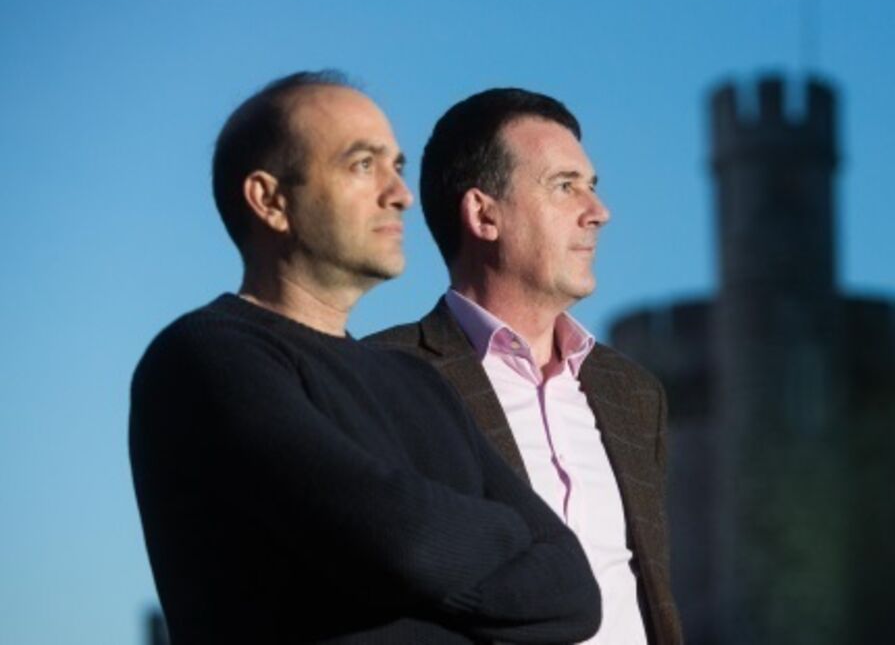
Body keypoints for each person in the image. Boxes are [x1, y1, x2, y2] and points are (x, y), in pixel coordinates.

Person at [128, 71, 601, 644]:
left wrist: (429, 554)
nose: (399, 194)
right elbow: (406, 543)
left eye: (396, 167)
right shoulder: (207, 358)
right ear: (270, 200)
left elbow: (575, 591)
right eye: (362, 165)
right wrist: (501, 539)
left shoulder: (420, 383)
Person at [366, 89, 681, 644]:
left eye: (592, 185)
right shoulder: (380, 378)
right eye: (565, 186)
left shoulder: (634, 393)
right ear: (484, 214)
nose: (598, 212)